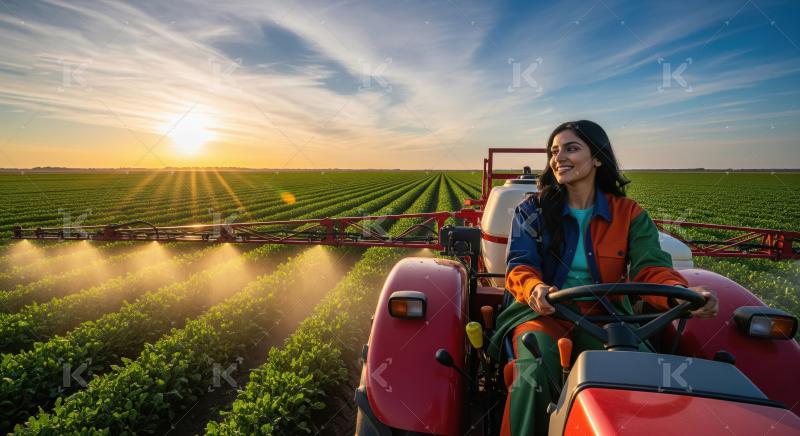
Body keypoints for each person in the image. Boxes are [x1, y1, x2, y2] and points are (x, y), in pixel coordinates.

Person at [487, 120, 719, 436]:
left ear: (597, 157)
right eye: (554, 151)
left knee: (639, 371)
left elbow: (651, 268)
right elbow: (520, 266)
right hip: (542, 313)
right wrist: (535, 288)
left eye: (571, 148)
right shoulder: (532, 210)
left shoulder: (629, 214)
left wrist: (677, 293)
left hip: (605, 318)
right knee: (534, 371)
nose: (559, 158)